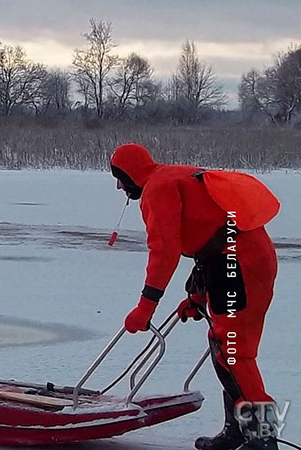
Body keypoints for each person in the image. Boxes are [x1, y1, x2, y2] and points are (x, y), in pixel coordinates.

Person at [110, 143, 281, 450]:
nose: (119, 184)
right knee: (224, 349)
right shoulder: (170, 175)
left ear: (131, 173)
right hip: (234, 259)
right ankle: (238, 432)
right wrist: (198, 297)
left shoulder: (157, 189)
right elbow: (209, 234)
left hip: (242, 264)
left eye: (120, 176)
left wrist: (145, 307)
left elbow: (164, 252)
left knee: (234, 354)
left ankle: (263, 439)